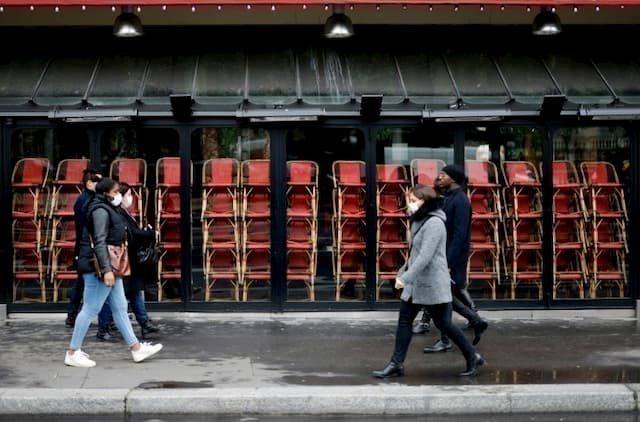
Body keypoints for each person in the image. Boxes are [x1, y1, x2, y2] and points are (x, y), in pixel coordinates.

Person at [372, 185, 484, 378]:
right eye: (410, 200)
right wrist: (403, 272)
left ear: (427, 202)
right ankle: (396, 364)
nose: (410, 204)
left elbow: (425, 257)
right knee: (405, 321)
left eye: (414, 201)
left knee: (445, 324)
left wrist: (405, 278)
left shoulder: (435, 223)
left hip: (432, 284)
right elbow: (415, 255)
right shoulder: (419, 221)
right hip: (417, 284)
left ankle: (473, 356)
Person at [64, 177, 162, 368]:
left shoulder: (106, 208)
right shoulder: (100, 210)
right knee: (91, 308)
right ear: (107, 193)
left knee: (119, 308)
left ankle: (136, 348)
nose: (119, 195)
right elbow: (99, 242)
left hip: (108, 266)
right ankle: (73, 351)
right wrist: (107, 270)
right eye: (116, 191)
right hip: (100, 267)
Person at [423, 164, 489, 353]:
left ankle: (451, 335)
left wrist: (448, 263)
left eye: (443, 175)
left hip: (452, 258)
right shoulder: (448, 197)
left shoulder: (460, 201)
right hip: (445, 256)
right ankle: (475, 321)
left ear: (453, 178)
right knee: (445, 298)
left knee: (443, 299)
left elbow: (460, 235)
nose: (439, 177)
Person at [96, 182, 160, 339]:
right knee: (110, 297)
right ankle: (104, 328)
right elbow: (129, 234)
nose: (130, 198)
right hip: (121, 261)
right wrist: (148, 234)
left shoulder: (122, 212)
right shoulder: (111, 212)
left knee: (134, 292)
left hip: (129, 261)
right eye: (128, 194)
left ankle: (144, 324)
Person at [65, 169, 102, 328]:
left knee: (81, 282)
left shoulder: (88, 198)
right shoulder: (85, 201)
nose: (100, 185)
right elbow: (85, 226)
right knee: (82, 283)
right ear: (89, 183)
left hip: (84, 246)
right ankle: (73, 315)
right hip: (86, 246)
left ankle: (73, 315)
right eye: (98, 182)